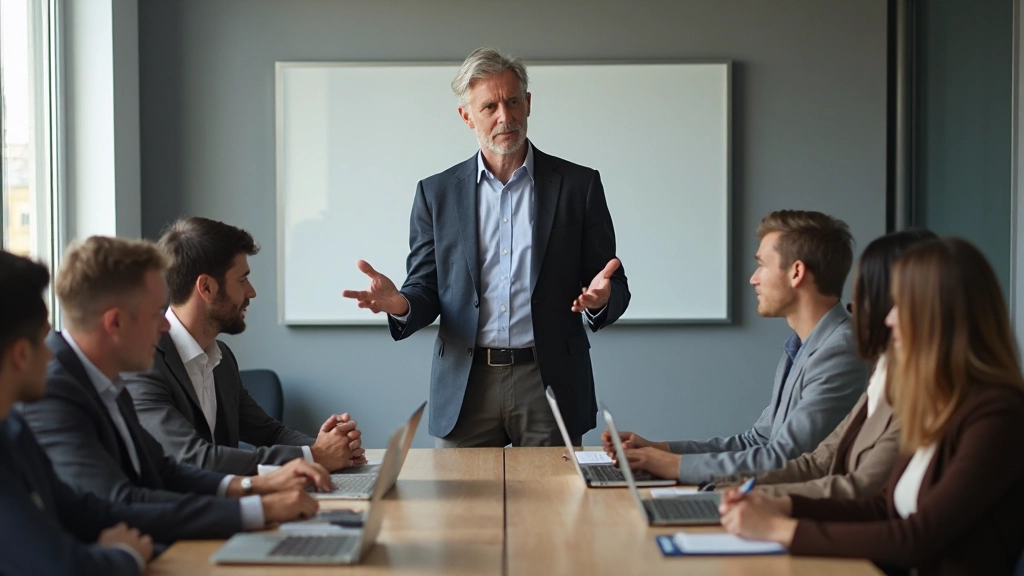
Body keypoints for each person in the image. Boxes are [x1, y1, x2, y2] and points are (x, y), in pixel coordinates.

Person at [342, 47, 630, 447]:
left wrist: (599, 299)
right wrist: (399, 304)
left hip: (549, 381)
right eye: (490, 106)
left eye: (513, 102)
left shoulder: (578, 186)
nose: (505, 117)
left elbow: (613, 283)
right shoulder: (436, 194)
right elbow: (425, 289)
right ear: (466, 116)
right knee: (461, 508)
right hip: (465, 383)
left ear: (528, 103)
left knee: (556, 509)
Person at [720, 238, 1024, 576]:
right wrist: (782, 504)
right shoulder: (938, 403)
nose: (890, 318)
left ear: (942, 315)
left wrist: (780, 529)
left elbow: (916, 537)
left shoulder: (999, 415)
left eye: (903, 305)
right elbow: (884, 507)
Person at [21, 236, 326, 536]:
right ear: (115, 323)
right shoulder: (52, 391)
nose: (166, 325)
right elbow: (119, 501)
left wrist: (257, 484)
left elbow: (165, 470)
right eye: (157, 313)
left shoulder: (104, 378)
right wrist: (260, 509)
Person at [603, 210, 866, 483]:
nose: (754, 278)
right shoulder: (800, 346)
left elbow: (786, 458)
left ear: (797, 272)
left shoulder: (840, 351)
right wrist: (659, 450)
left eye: (762, 264)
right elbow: (757, 441)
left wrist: (671, 465)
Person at [124, 217, 364, 476]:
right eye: (242, 279)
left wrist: (329, 447)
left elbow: (269, 431)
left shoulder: (221, 357)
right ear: (206, 287)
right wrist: (314, 456)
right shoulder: (142, 361)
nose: (251, 292)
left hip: (228, 505)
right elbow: (193, 457)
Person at [713, 229, 936, 498]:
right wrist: (730, 486)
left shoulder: (849, 355)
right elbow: (820, 458)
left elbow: (862, 488)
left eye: (868, 295)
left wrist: (758, 499)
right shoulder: (884, 376)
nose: (854, 307)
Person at [0, 250, 153, 576]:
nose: (51, 357)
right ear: (20, 354)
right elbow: (60, 566)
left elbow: (77, 510)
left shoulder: (12, 429)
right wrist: (125, 553)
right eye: (43, 342)